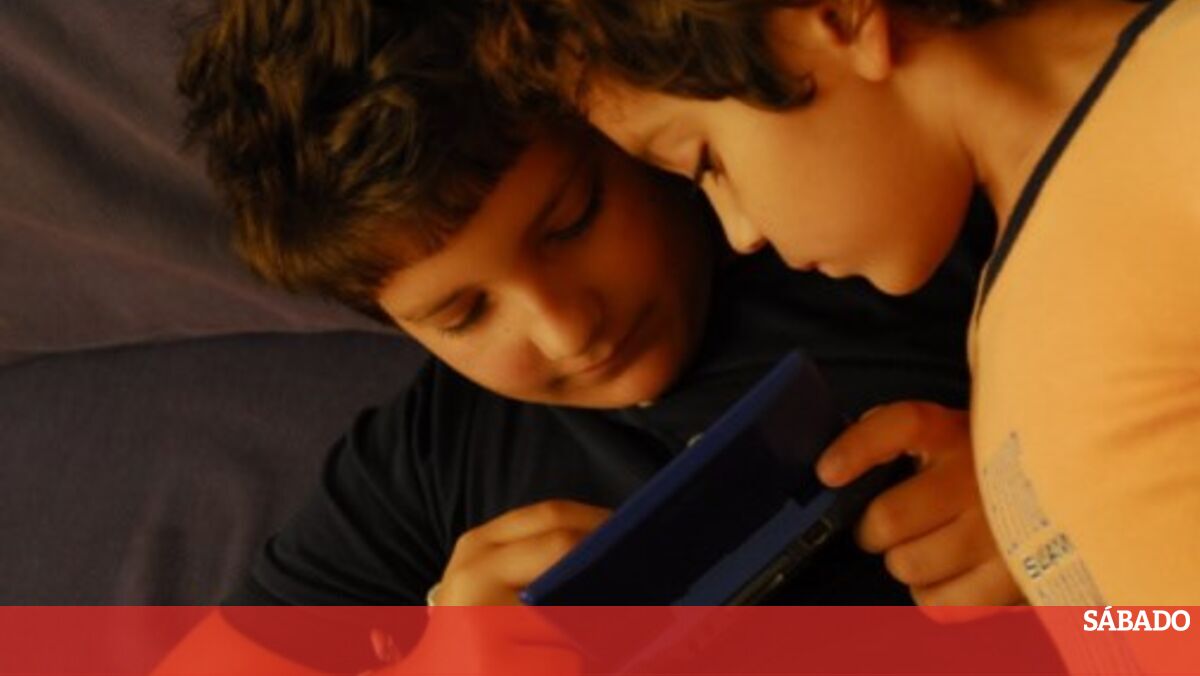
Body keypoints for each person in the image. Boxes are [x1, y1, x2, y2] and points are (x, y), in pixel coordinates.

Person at [159, 0, 1010, 672]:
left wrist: (1036, 517)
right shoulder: (428, 462)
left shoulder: (872, 225)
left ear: (618, 117)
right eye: (464, 316)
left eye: (573, 221)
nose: (567, 332)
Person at [477, 0, 1200, 605]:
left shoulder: (1171, 141)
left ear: (838, 19)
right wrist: (1061, 576)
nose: (741, 231)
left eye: (707, 163)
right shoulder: (1021, 294)